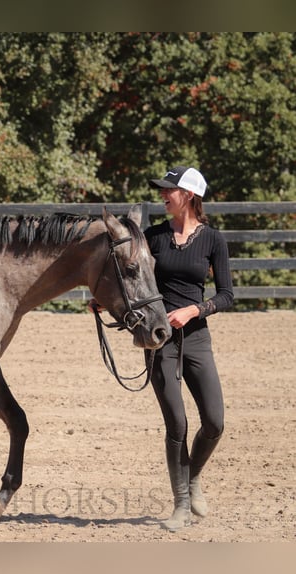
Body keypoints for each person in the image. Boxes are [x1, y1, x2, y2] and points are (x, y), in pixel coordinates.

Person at [144, 165, 234, 531]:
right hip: (160, 339)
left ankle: (192, 476)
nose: (163, 195)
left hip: (197, 337)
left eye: (170, 190)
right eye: (163, 190)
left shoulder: (214, 240)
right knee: (177, 423)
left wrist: (195, 309)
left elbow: (228, 294)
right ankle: (181, 504)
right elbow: (132, 280)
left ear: (190, 196)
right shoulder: (152, 237)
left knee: (214, 421)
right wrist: (104, 302)